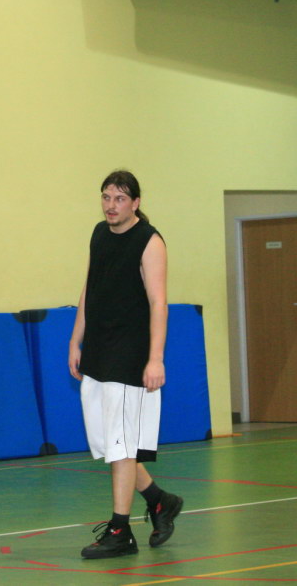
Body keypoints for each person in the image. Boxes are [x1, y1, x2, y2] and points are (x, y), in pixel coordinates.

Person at [68, 170, 184, 559]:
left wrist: (155, 358)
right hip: (99, 350)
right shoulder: (99, 234)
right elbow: (89, 288)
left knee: (121, 446)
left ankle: (120, 530)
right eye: (106, 197)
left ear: (135, 202)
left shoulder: (149, 241)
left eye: (119, 198)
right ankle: (159, 500)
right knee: (110, 443)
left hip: (129, 353)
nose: (111, 205)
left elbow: (158, 302)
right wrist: (76, 338)